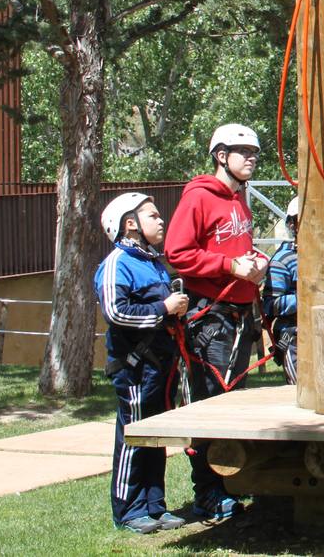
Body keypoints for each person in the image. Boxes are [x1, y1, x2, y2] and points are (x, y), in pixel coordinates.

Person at [166, 123, 266, 520]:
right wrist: (229, 265)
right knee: (211, 403)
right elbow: (178, 252)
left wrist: (253, 263)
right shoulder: (200, 198)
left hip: (239, 313)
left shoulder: (239, 199)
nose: (252, 158)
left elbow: (234, 249)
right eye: (243, 151)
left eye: (255, 152)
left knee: (234, 403)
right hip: (211, 317)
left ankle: (230, 483)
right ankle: (207, 491)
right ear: (221, 155)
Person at [95, 193, 188, 534]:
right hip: (134, 368)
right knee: (133, 435)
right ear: (130, 224)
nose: (161, 220)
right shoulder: (117, 264)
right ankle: (128, 510)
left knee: (153, 436)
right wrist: (164, 309)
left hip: (159, 367)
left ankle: (154, 505)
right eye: (153, 215)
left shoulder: (152, 262)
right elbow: (116, 312)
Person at [264, 196, 300, 382]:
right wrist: (306, 299)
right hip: (295, 336)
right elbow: (271, 304)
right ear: (293, 224)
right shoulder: (283, 260)